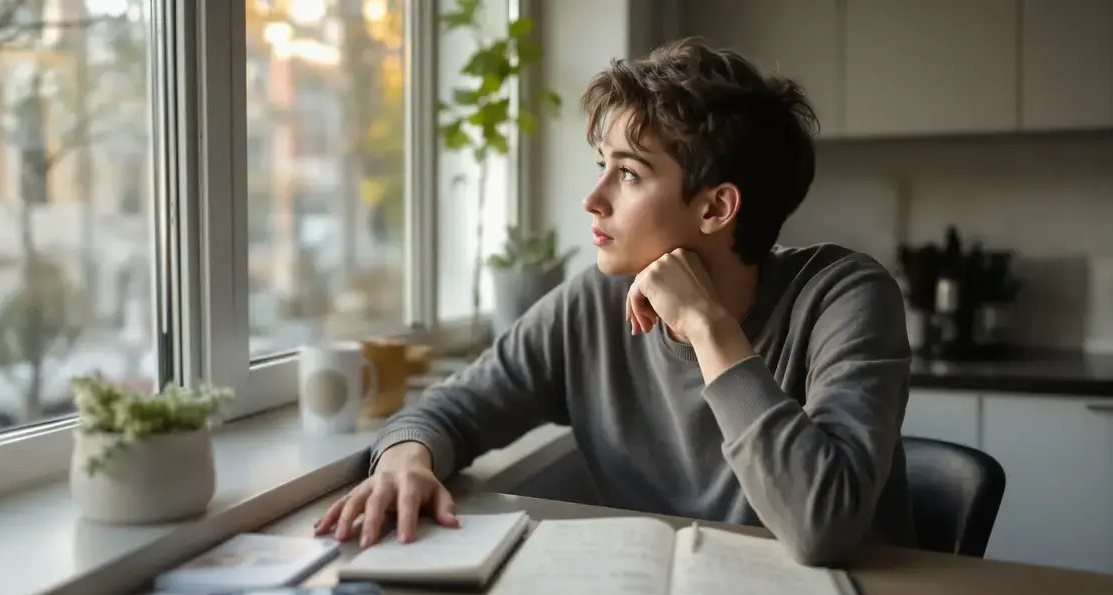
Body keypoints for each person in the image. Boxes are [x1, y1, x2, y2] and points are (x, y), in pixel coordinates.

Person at [315, 38, 914, 565]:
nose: (592, 199)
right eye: (603, 166)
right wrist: (404, 461)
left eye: (627, 173)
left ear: (715, 208)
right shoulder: (592, 306)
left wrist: (707, 328)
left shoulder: (845, 298)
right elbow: (450, 410)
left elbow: (822, 527)